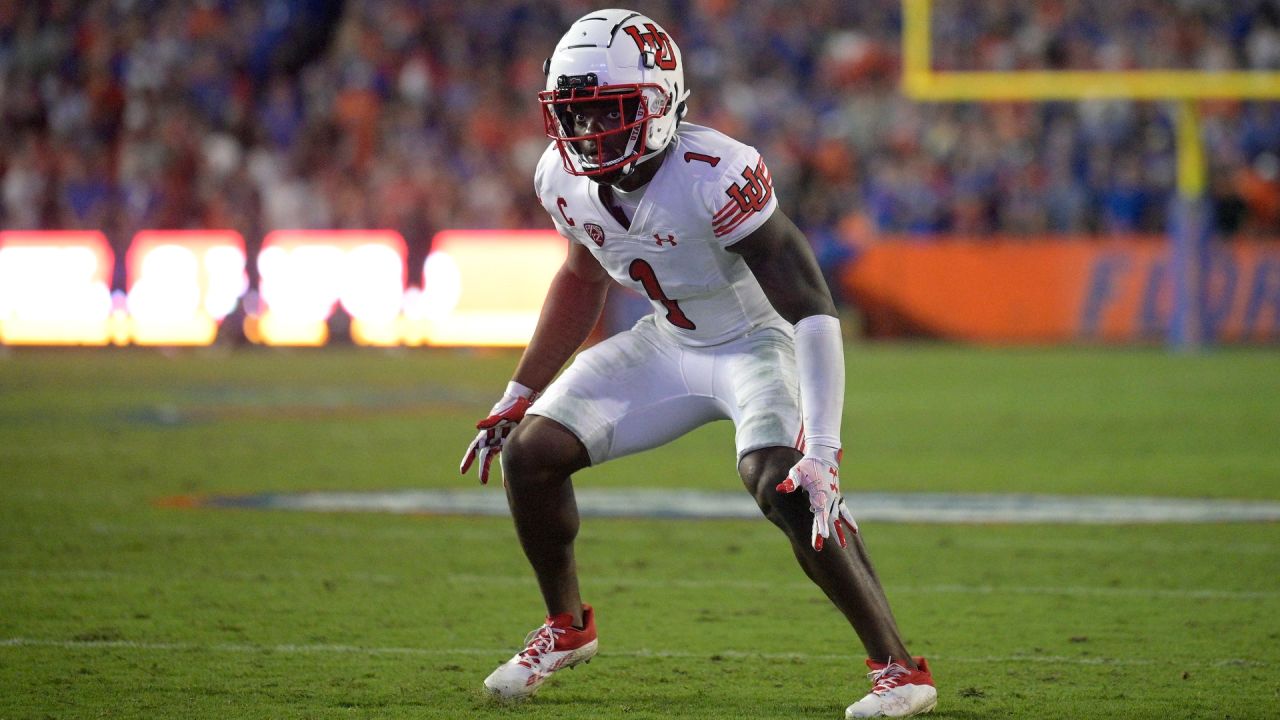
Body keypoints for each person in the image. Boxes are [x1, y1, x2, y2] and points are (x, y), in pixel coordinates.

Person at [459, 9, 937, 718]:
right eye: (576, 114)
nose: (588, 133)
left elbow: (810, 305)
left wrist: (825, 451)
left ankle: (900, 669)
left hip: (756, 343)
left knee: (789, 487)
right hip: (669, 342)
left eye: (607, 111)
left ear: (659, 104)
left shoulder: (717, 171)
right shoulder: (560, 176)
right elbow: (581, 277)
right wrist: (519, 390)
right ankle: (566, 627)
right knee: (530, 453)